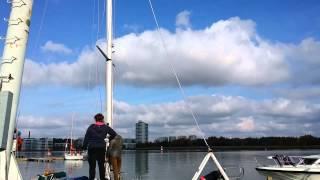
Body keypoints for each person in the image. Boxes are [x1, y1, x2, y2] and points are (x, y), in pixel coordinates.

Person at [83, 113, 117, 180]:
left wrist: (84, 147)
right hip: (101, 148)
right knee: (101, 166)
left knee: (92, 167)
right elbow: (114, 134)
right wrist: (109, 139)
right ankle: (102, 178)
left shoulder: (91, 127)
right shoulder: (106, 127)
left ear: (95, 119)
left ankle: (91, 178)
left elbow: (86, 138)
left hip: (92, 148)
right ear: (102, 119)